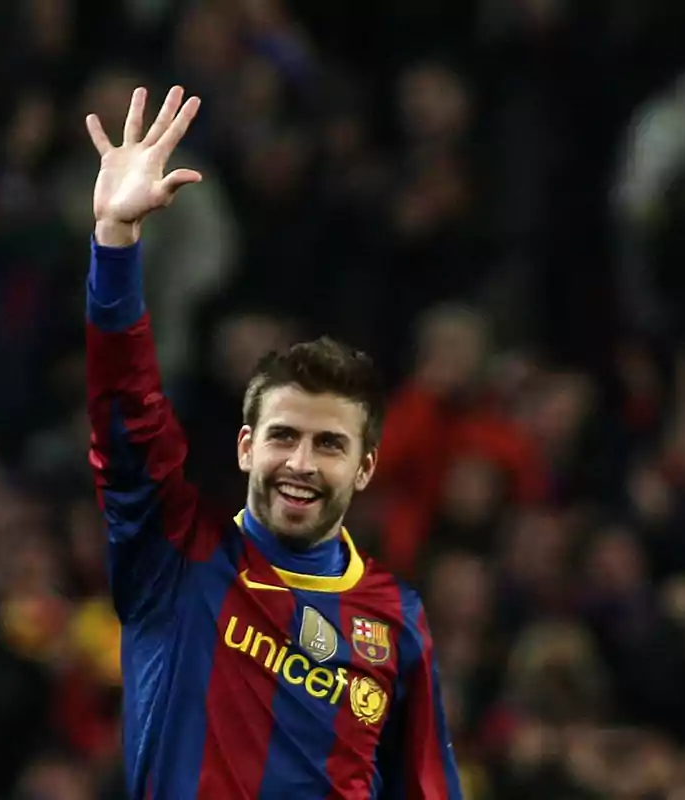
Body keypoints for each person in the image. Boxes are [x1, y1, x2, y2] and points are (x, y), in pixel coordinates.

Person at [83, 85, 463, 798]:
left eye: (329, 445)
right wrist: (115, 245)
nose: (300, 463)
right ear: (244, 446)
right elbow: (125, 415)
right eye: (284, 437)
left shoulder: (396, 620)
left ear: (365, 467)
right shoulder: (176, 559)